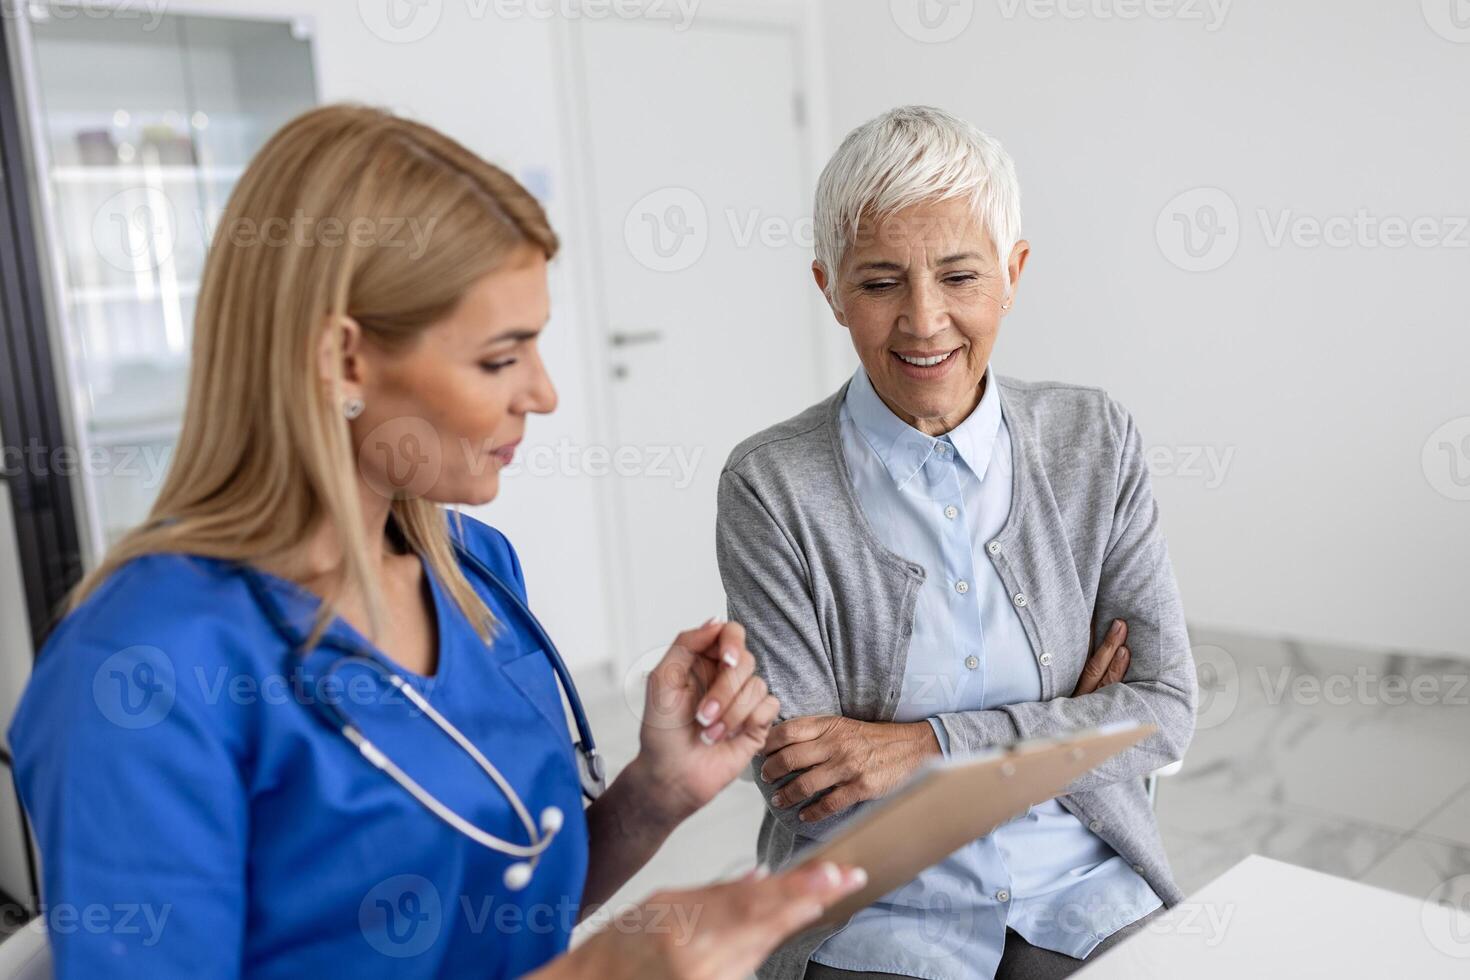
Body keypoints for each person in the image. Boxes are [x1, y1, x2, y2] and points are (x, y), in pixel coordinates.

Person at [9, 104, 865, 980]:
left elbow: (503, 906)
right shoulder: (143, 667)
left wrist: (654, 794)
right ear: (343, 360)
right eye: (501, 358)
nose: (544, 393)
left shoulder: (474, 572)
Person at [715, 106, 1199, 980]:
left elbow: (1163, 712)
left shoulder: (1096, 439)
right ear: (828, 287)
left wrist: (921, 747)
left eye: (959, 275)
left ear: (1012, 276)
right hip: (875, 911)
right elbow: (809, 786)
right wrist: (1062, 736)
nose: (924, 321)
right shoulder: (770, 486)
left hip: (1084, 890)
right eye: (879, 282)